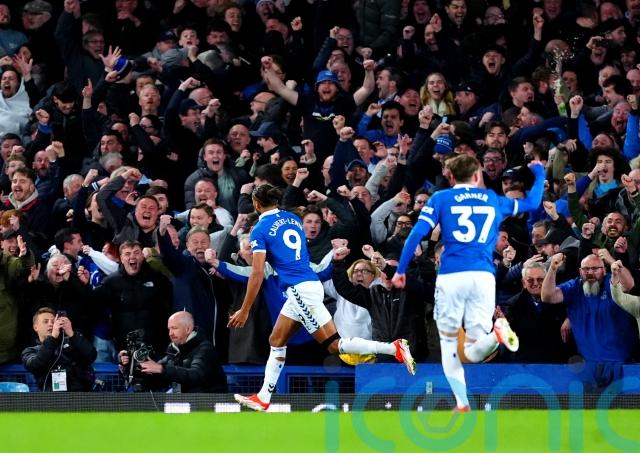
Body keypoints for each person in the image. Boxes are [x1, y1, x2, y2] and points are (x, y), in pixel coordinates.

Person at [231, 184, 416, 412]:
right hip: (307, 285)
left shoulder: (260, 229)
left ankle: (394, 348)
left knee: (334, 345)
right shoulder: (292, 219)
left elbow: (257, 272)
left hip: (299, 290)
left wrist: (244, 309)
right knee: (276, 340)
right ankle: (263, 397)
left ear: (256, 204)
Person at [391, 154, 545, 411]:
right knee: (474, 350)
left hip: (452, 276)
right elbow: (532, 202)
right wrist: (539, 174)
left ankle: (462, 402)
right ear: (476, 175)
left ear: (450, 176)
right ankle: (497, 333)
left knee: (450, 344)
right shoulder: (492, 199)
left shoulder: (440, 198)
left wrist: (401, 269)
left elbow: (416, 234)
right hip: (483, 277)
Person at [119, 311, 227, 393]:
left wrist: (161, 369)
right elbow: (153, 382)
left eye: (174, 328)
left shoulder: (205, 349)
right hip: (185, 406)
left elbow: (196, 375)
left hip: (209, 406)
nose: (170, 333)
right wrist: (129, 367)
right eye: (169, 329)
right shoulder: (173, 351)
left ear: (188, 329)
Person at [22, 307, 97, 391]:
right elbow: (36, 365)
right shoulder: (30, 351)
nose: (51, 324)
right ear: (35, 327)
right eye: (45, 321)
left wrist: (72, 334)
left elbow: (91, 356)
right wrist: (52, 338)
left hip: (80, 395)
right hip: (53, 397)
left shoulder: (71, 342)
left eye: (53, 322)